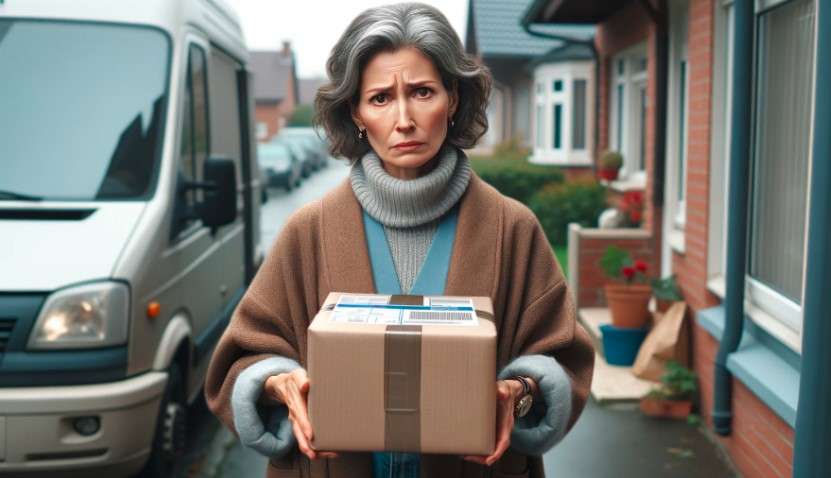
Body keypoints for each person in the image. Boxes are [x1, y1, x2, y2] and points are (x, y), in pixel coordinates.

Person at [205, 3, 594, 477]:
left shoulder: (512, 229)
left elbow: (563, 359)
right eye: (381, 98)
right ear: (356, 112)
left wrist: (522, 391)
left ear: (453, 97)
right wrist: (275, 383)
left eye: (422, 92)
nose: (404, 118)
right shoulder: (306, 232)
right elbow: (239, 360)